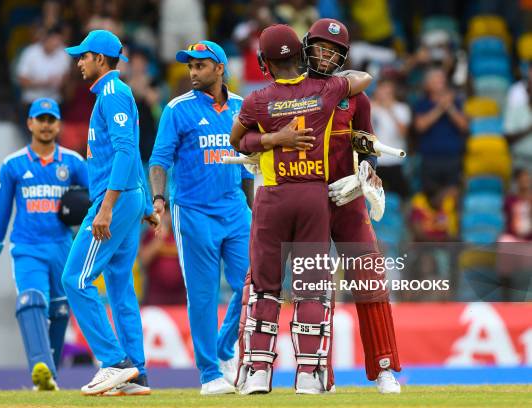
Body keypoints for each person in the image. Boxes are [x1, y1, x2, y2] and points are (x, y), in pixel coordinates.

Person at [232, 19, 402, 395]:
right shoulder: (288, 93)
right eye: (321, 47)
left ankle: (385, 367)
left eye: (335, 52)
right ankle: (271, 366)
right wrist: (260, 152)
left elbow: (369, 146)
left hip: (344, 197)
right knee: (269, 280)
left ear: (344, 57)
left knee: (368, 275)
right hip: (302, 192)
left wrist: (363, 176)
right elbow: (248, 139)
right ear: (305, 47)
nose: (327, 56)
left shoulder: (353, 96)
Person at [149, 40, 254, 395]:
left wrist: (255, 209)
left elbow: (250, 169)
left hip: (236, 209)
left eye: (200, 66)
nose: (192, 72)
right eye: (190, 66)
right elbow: (160, 160)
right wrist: (159, 200)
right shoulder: (177, 109)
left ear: (219, 68)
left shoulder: (243, 107)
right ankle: (209, 373)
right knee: (204, 295)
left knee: (252, 286)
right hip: (193, 212)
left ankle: (225, 348)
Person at [61, 29, 159, 396]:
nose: (79, 61)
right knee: (120, 287)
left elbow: (123, 152)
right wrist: (146, 203)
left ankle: (114, 362)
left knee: (75, 279)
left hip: (112, 203)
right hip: (127, 199)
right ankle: (136, 374)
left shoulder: (113, 95)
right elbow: (131, 152)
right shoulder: (115, 94)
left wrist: (106, 208)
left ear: (100, 59)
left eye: (83, 56)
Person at [0, 97, 88, 391]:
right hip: (27, 247)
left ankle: (48, 379)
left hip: (62, 247)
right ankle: (42, 368)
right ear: (30, 123)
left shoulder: (73, 162)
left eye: (51, 120)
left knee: (60, 311)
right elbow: (1, 213)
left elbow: (95, 198)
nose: (46, 125)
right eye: (41, 119)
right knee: (32, 300)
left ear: (58, 124)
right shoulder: (12, 165)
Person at [413, 67, 468, 190]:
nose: (442, 83)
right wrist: (440, 108)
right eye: (437, 80)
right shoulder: (422, 103)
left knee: (452, 196)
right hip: (430, 159)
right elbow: (420, 126)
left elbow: (464, 126)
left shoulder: (456, 102)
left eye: (443, 80)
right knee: (431, 197)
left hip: (452, 158)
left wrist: (449, 107)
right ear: (428, 85)